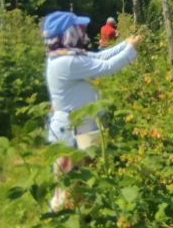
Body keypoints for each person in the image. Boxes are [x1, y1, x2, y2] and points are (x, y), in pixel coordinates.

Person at [42, 11, 141, 210]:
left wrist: (124, 44)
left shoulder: (65, 56)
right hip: (71, 132)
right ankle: (62, 217)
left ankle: (83, 214)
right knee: (68, 183)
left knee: (85, 180)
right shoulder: (67, 61)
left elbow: (97, 56)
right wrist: (131, 50)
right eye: (77, 30)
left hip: (82, 127)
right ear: (67, 34)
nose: (81, 34)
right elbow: (105, 66)